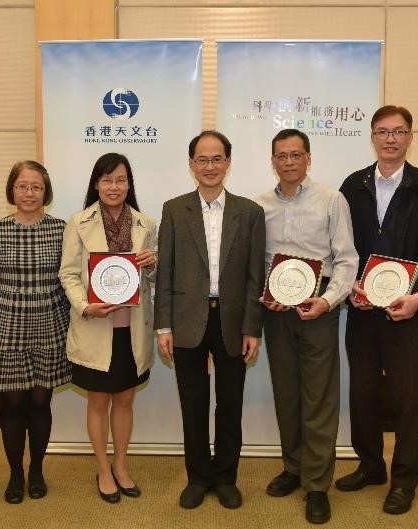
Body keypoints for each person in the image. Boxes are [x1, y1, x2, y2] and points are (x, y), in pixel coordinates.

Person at [335, 106, 418, 515]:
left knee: (407, 399)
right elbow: (340, 248)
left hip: (409, 314)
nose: (390, 139)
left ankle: (403, 480)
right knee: (363, 393)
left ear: (410, 137)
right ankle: (370, 466)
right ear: (371, 136)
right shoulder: (352, 186)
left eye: (398, 131)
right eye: (382, 131)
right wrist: (347, 284)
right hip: (363, 312)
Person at [155, 130, 266, 510]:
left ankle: (226, 477)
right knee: (194, 403)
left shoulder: (250, 212)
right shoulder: (174, 209)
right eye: (202, 160)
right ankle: (198, 478)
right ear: (191, 165)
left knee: (230, 404)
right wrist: (163, 325)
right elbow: (165, 272)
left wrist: (253, 327)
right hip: (187, 320)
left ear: (228, 162)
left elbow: (256, 277)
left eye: (216, 159)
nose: (210, 166)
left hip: (233, 322)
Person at [255, 129, 358, 524]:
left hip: (319, 312)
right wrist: (266, 295)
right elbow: (258, 264)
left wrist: (328, 300)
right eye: (281, 156)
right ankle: (294, 467)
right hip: (277, 314)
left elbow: (346, 259)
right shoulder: (260, 206)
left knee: (319, 398)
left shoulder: (331, 199)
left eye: (296, 155)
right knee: (287, 394)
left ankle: (316, 485)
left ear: (308, 159)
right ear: (273, 161)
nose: (289, 162)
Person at [59, 153, 157, 504]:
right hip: (95, 326)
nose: (113, 187)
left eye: (120, 180)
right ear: (96, 184)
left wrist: (152, 263)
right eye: (106, 180)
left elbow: (155, 278)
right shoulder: (78, 222)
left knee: (126, 399)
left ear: (129, 184)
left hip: (131, 329)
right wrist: (85, 306)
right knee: (98, 401)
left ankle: (120, 465)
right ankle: (103, 469)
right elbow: (68, 274)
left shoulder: (146, 223)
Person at [0, 161, 70, 504]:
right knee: (13, 403)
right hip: (7, 327)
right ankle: (16, 473)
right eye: (22, 186)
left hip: (50, 326)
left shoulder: (61, 229)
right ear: (12, 190)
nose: (29, 193)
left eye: (36, 187)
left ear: (46, 192)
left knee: (40, 401)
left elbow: (70, 280)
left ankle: (37, 470)